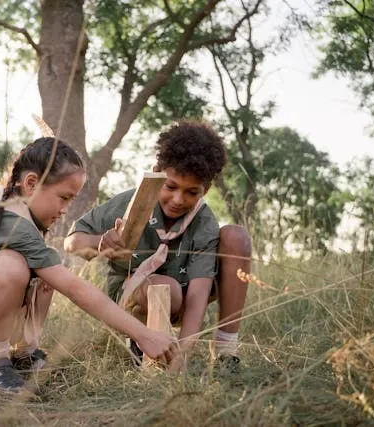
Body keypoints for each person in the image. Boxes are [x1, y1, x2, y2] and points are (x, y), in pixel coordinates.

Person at [0, 137, 177, 391]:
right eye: (64, 197)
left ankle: (26, 353)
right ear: (31, 183)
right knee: (11, 265)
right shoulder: (13, 221)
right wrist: (143, 334)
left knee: (43, 270)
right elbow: (74, 288)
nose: (65, 210)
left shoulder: (15, 203)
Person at [64, 120, 252, 373]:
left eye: (191, 192)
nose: (177, 199)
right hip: (132, 298)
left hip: (183, 299)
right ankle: (140, 340)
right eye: (171, 186)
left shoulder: (204, 223)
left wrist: (182, 356)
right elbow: (71, 242)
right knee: (166, 287)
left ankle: (225, 354)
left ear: (204, 190)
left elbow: (197, 297)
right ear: (157, 173)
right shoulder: (131, 203)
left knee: (236, 237)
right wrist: (99, 243)